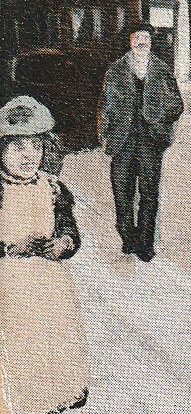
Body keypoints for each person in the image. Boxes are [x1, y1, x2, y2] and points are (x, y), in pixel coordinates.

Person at [0, 96, 92, 412]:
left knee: (51, 340)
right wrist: (9, 248)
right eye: (18, 148)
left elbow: (70, 230)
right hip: (8, 285)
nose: (29, 156)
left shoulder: (53, 189)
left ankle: (51, 398)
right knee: (17, 343)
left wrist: (65, 242)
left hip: (50, 285)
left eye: (36, 147)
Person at [102, 23, 185, 261]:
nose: (141, 42)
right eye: (137, 38)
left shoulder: (162, 70)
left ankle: (146, 243)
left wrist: (158, 120)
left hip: (150, 141)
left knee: (149, 194)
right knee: (122, 193)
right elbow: (104, 107)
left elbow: (176, 105)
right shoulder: (115, 70)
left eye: (145, 38)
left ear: (151, 42)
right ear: (130, 42)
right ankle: (128, 237)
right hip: (122, 141)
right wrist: (106, 135)